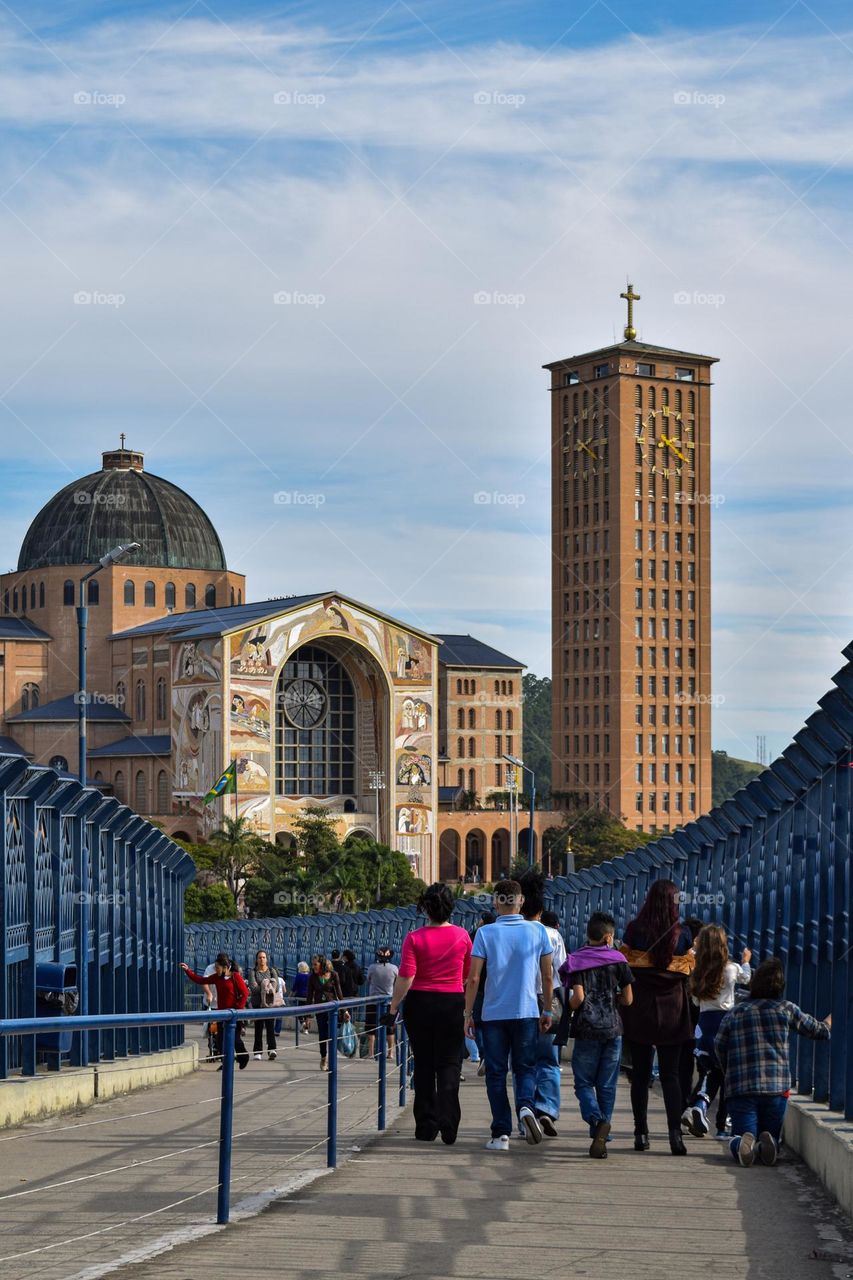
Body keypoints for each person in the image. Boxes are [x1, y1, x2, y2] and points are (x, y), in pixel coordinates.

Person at [464, 879, 554, 1152]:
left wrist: (468, 1014)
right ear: (521, 901)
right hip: (527, 1011)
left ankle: (500, 1134)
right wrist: (547, 1009)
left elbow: (474, 978)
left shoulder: (485, 933)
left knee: (496, 1073)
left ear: (496, 902)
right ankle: (526, 1107)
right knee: (525, 1067)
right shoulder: (538, 930)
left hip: (493, 1014)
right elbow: (547, 975)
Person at [716, 957, 830, 1167]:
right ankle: (769, 1145)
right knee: (770, 1135)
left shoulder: (736, 1012)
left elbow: (719, 1044)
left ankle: (742, 1143)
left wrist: (729, 1072)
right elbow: (818, 1031)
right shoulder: (786, 1009)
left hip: (742, 1090)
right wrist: (833, 1018)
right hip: (776, 1090)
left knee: (740, 1135)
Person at [389, 883, 472, 1144]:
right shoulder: (462, 936)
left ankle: (426, 1125)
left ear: (426, 908)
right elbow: (467, 974)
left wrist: (393, 1007)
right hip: (452, 1003)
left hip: (420, 1004)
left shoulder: (414, 938)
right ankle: (449, 1123)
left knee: (424, 1063)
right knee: (449, 1064)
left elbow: (406, 976)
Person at [619, 879, 695, 1154]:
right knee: (670, 1075)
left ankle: (640, 1133)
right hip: (673, 1009)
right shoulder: (683, 934)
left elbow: (623, 964)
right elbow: (690, 966)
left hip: (640, 1008)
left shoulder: (634, 930)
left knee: (640, 1076)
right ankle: (675, 1135)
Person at [558, 911, 634, 1158]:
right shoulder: (619, 960)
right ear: (609, 937)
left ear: (588, 934)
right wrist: (613, 998)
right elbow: (629, 999)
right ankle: (603, 1134)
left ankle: (596, 1120)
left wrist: (567, 1009)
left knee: (583, 1084)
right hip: (613, 1029)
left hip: (587, 1030)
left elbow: (578, 998)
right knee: (607, 1085)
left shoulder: (578, 960)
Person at [512, 870, 567, 1137]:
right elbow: (562, 973)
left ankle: (526, 1113)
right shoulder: (553, 935)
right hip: (549, 1000)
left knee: (523, 1062)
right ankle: (547, 1108)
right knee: (549, 1059)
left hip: (520, 1001)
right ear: (542, 908)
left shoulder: (512, 933)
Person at [682, 926, 751, 1138]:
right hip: (726, 1025)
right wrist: (746, 961)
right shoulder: (732, 969)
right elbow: (747, 979)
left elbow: (695, 1001)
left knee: (711, 1071)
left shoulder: (697, 972)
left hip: (704, 1026)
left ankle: (700, 1106)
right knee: (728, 1075)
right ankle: (722, 1125)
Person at [180, 953, 250, 1070]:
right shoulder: (217, 978)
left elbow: (245, 993)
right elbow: (201, 980)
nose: (216, 970)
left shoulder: (235, 976)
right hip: (221, 1014)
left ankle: (243, 1057)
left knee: (236, 1039)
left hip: (234, 1014)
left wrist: (238, 1008)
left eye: (218, 968)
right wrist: (188, 971)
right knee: (220, 1040)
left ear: (225, 967)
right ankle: (226, 1063)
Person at [306, 954, 344, 1071]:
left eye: (315, 964)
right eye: (312, 965)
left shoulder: (333, 975)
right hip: (320, 1010)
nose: (313, 967)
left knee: (332, 1034)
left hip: (332, 1010)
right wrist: (307, 1016)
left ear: (322, 964)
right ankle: (323, 1057)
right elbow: (309, 997)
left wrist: (345, 1011)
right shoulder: (312, 977)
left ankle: (332, 1060)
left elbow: (339, 993)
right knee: (322, 1034)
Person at [248, 949, 283, 1061]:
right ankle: (257, 1051)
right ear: (256, 960)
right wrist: (266, 986)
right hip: (258, 1003)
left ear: (266, 959)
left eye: (263, 957)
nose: (262, 959)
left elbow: (276, 988)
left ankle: (272, 1049)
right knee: (258, 1027)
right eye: (259, 958)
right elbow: (253, 988)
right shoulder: (253, 972)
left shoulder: (272, 971)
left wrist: (262, 985)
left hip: (269, 1003)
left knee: (270, 1027)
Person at [366, 948, 399, 1060]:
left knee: (371, 1027)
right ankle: (390, 1053)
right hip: (389, 1001)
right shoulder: (394, 968)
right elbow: (397, 982)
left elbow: (368, 980)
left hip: (373, 1001)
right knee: (390, 1028)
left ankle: (371, 1052)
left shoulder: (372, 967)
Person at [292, 960, 310, 1033]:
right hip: (308, 996)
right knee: (307, 1012)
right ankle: (306, 1029)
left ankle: (303, 1023)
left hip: (300, 995)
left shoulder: (298, 975)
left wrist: (291, 995)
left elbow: (295, 987)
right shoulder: (310, 976)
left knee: (299, 1012)